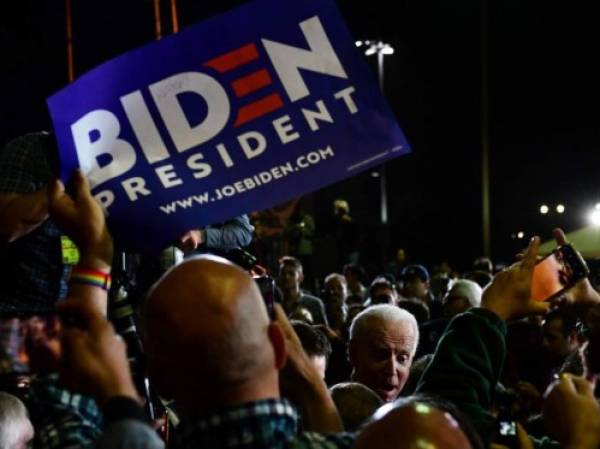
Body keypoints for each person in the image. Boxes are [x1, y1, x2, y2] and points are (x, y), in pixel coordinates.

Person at [0, 132, 70, 312]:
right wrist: (67, 174)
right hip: (15, 311)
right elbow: (8, 227)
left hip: (72, 319)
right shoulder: (32, 149)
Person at [348, 305, 419, 402]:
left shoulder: (414, 414)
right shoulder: (327, 411)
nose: (391, 370)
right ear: (353, 354)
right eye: (381, 356)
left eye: (401, 359)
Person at [278, 256, 328, 325]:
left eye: (291, 274)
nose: (286, 277)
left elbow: (323, 332)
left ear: (300, 277)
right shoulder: (274, 304)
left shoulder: (314, 304)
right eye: (283, 273)